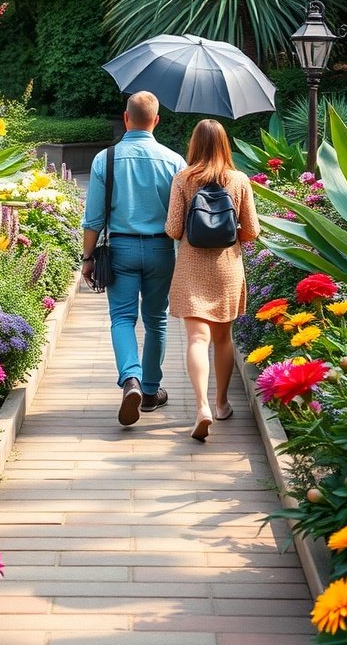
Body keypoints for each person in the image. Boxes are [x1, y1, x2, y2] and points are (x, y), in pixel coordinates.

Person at [81, 91, 186, 426]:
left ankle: (131, 380)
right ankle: (152, 392)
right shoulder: (174, 162)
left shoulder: (105, 160)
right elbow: (182, 218)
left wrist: (86, 258)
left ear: (126, 118)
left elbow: (93, 219)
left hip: (120, 250)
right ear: (156, 121)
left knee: (122, 319)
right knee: (156, 320)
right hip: (161, 250)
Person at [165, 119, 260, 441]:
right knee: (223, 339)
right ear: (224, 144)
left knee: (196, 340)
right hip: (227, 268)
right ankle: (221, 404)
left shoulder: (183, 179)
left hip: (192, 266)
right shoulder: (239, 180)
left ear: (194, 144)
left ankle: (201, 407)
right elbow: (252, 231)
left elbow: (174, 229)